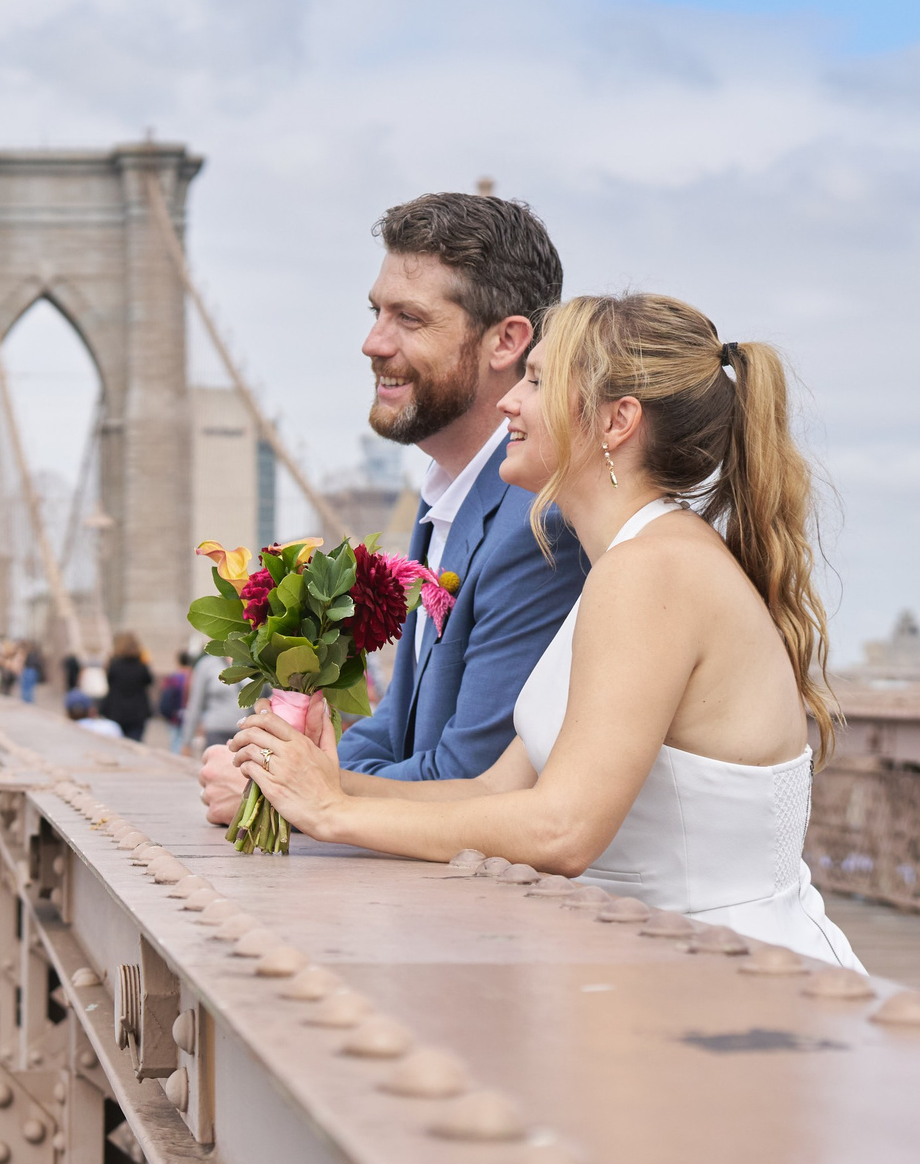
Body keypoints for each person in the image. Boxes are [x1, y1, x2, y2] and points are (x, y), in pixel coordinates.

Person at [204, 293, 862, 969]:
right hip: (666, 967)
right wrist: (317, 783)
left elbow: (563, 828)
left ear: (616, 421)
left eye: (538, 380)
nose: (509, 402)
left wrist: (332, 814)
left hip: (736, 981)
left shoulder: (652, 571)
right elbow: (498, 793)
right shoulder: (629, 562)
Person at [330, 193, 588, 780]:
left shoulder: (542, 524)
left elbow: (465, 776)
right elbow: (399, 726)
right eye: (376, 312)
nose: (374, 342)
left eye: (409, 319)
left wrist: (297, 795)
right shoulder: (447, 486)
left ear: (506, 341)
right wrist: (274, 768)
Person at [99, 632, 154, 743]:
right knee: (135, 744)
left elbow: (109, 681)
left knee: (116, 745)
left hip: (116, 710)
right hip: (137, 712)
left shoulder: (114, 665)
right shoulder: (141, 666)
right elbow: (149, 681)